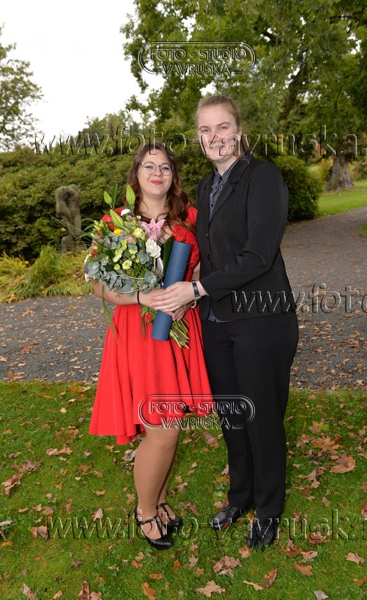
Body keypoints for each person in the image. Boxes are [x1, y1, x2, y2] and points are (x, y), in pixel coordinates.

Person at [152, 95, 299, 550]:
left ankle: (269, 509)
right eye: (204, 130)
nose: (213, 137)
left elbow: (258, 255)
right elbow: (212, 254)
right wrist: (185, 289)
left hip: (260, 319)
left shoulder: (262, 176)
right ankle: (240, 497)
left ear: (238, 131)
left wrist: (196, 289)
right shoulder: (204, 186)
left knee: (262, 418)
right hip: (216, 321)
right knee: (233, 415)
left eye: (222, 127)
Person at [87, 142, 212, 550]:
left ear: (173, 176)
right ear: (136, 174)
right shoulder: (116, 222)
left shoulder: (190, 219)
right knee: (164, 431)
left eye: (165, 167)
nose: (157, 173)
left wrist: (189, 298)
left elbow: (205, 271)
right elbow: (97, 285)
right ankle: (144, 512)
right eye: (148, 166)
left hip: (179, 327)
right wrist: (142, 297)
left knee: (168, 426)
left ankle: (158, 500)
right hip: (138, 333)